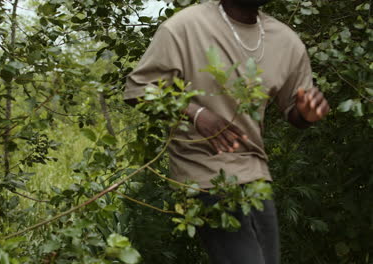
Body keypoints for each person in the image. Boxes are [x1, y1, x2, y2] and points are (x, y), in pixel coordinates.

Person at [124, 0, 330, 263]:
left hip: (255, 174)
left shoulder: (285, 40)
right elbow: (139, 89)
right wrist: (196, 113)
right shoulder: (184, 27)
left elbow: (294, 112)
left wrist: (306, 114)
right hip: (204, 173)